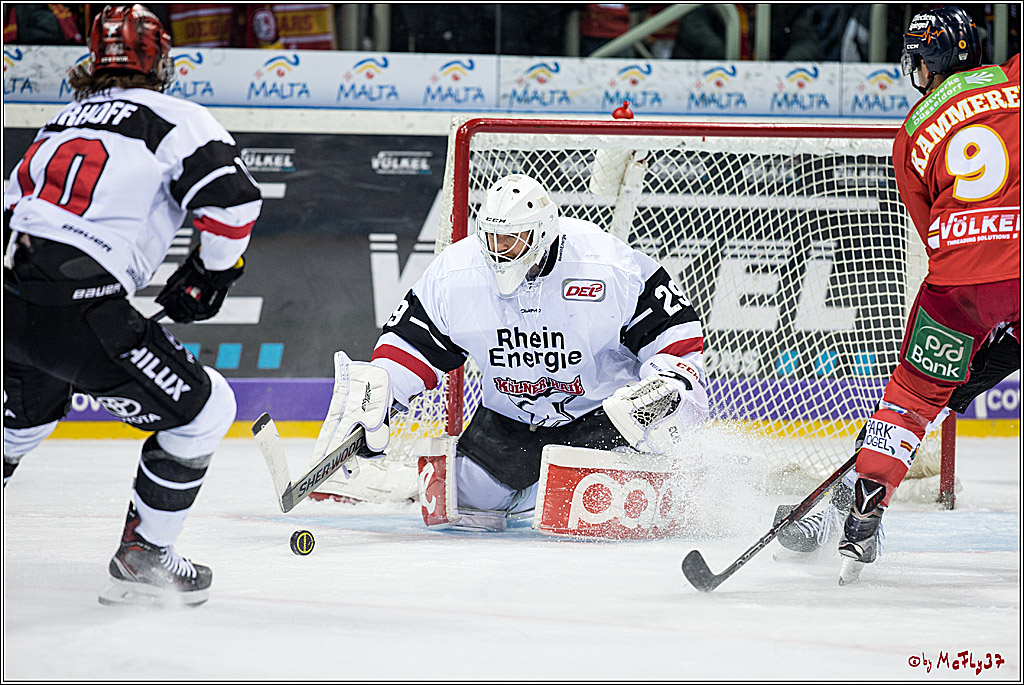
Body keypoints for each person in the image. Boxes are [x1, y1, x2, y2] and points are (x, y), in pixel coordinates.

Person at [3, 4, 262, 606]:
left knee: (22, 419)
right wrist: (208, 275)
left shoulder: (60, 123)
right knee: (205, 410)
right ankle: (145, 554)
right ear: (160, 60)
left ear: (93, 62)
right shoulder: (177, 118)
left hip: (9, 290)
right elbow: (232, 202)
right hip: (77, 302)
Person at [311, 174, 709, 530]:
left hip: (600, 419)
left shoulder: (607, 264)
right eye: (491, 237)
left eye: (511, 238)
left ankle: (578, 486)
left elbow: (676, 336)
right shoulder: (456, 274)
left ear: (542, 232)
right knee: (456, 504)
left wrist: (668, 382)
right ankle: (528, 491)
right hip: (509, 422)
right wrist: (380, 391)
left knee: (595, 511)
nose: (498, 248)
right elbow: (413, 343)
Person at [777, 6, 1019, 584]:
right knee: (990, 357)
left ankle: (863, 510)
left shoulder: (910, 134)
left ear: (923, 64)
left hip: (960, 282)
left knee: (910, 399)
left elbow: (935, 233)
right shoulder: (1014, 79)